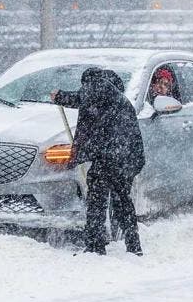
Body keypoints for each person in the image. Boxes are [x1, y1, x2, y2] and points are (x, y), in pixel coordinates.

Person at [50, 68, 146, 255]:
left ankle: (95, 246)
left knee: (96, 200)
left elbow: (85, 95)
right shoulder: (118, 99)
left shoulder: (99, 85)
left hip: (110, 156)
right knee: (122, 201)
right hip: (126, 158)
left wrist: (60, 96)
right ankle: (134, 246)